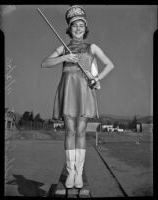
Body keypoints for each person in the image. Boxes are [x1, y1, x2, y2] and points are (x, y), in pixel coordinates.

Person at [41, 5, 114, 189]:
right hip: (67, 91)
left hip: (84, 92)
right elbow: (44, 63)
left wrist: (96, 78)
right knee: (69, 131)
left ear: (86, 28)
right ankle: (70, 172)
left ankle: (79, 173)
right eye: (75, 25)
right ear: (69, 28)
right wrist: (64, 58)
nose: (78, 28)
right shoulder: (63, 48)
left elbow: (110, 65)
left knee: (81, 131)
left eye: (81, 25)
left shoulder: (92, 47)